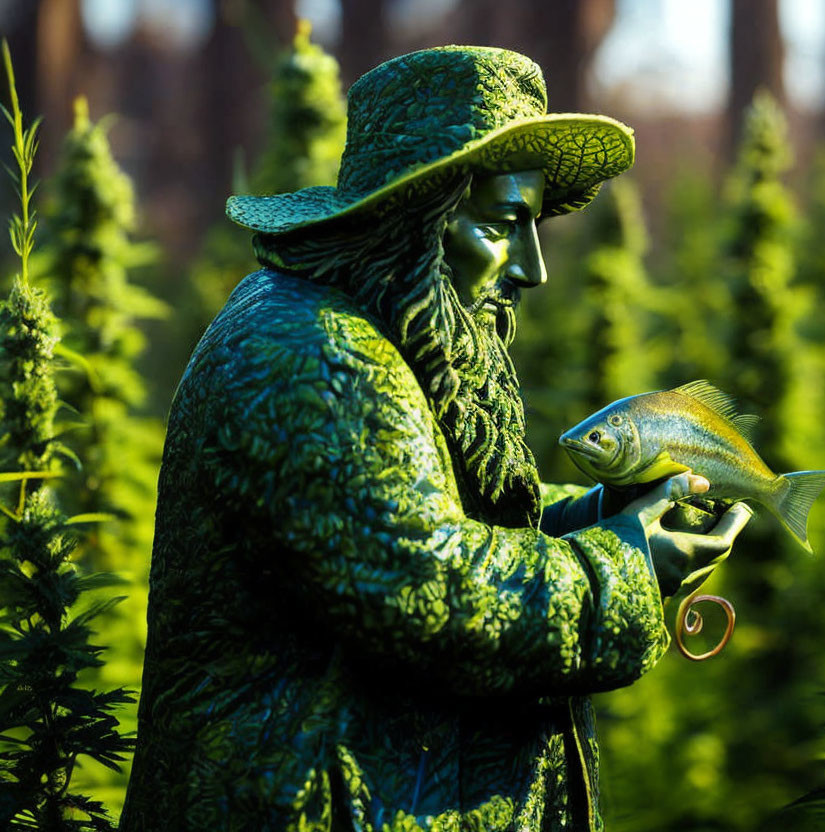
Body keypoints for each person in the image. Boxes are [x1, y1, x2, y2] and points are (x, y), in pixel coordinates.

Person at [119, 46, 751, 832]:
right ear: (419, 218)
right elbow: (430, 587)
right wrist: (624, 566)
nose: (532, 269)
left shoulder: (383, 330)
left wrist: (598, 516)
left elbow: (434, 513)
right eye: (503, 223)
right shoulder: (314, 355)